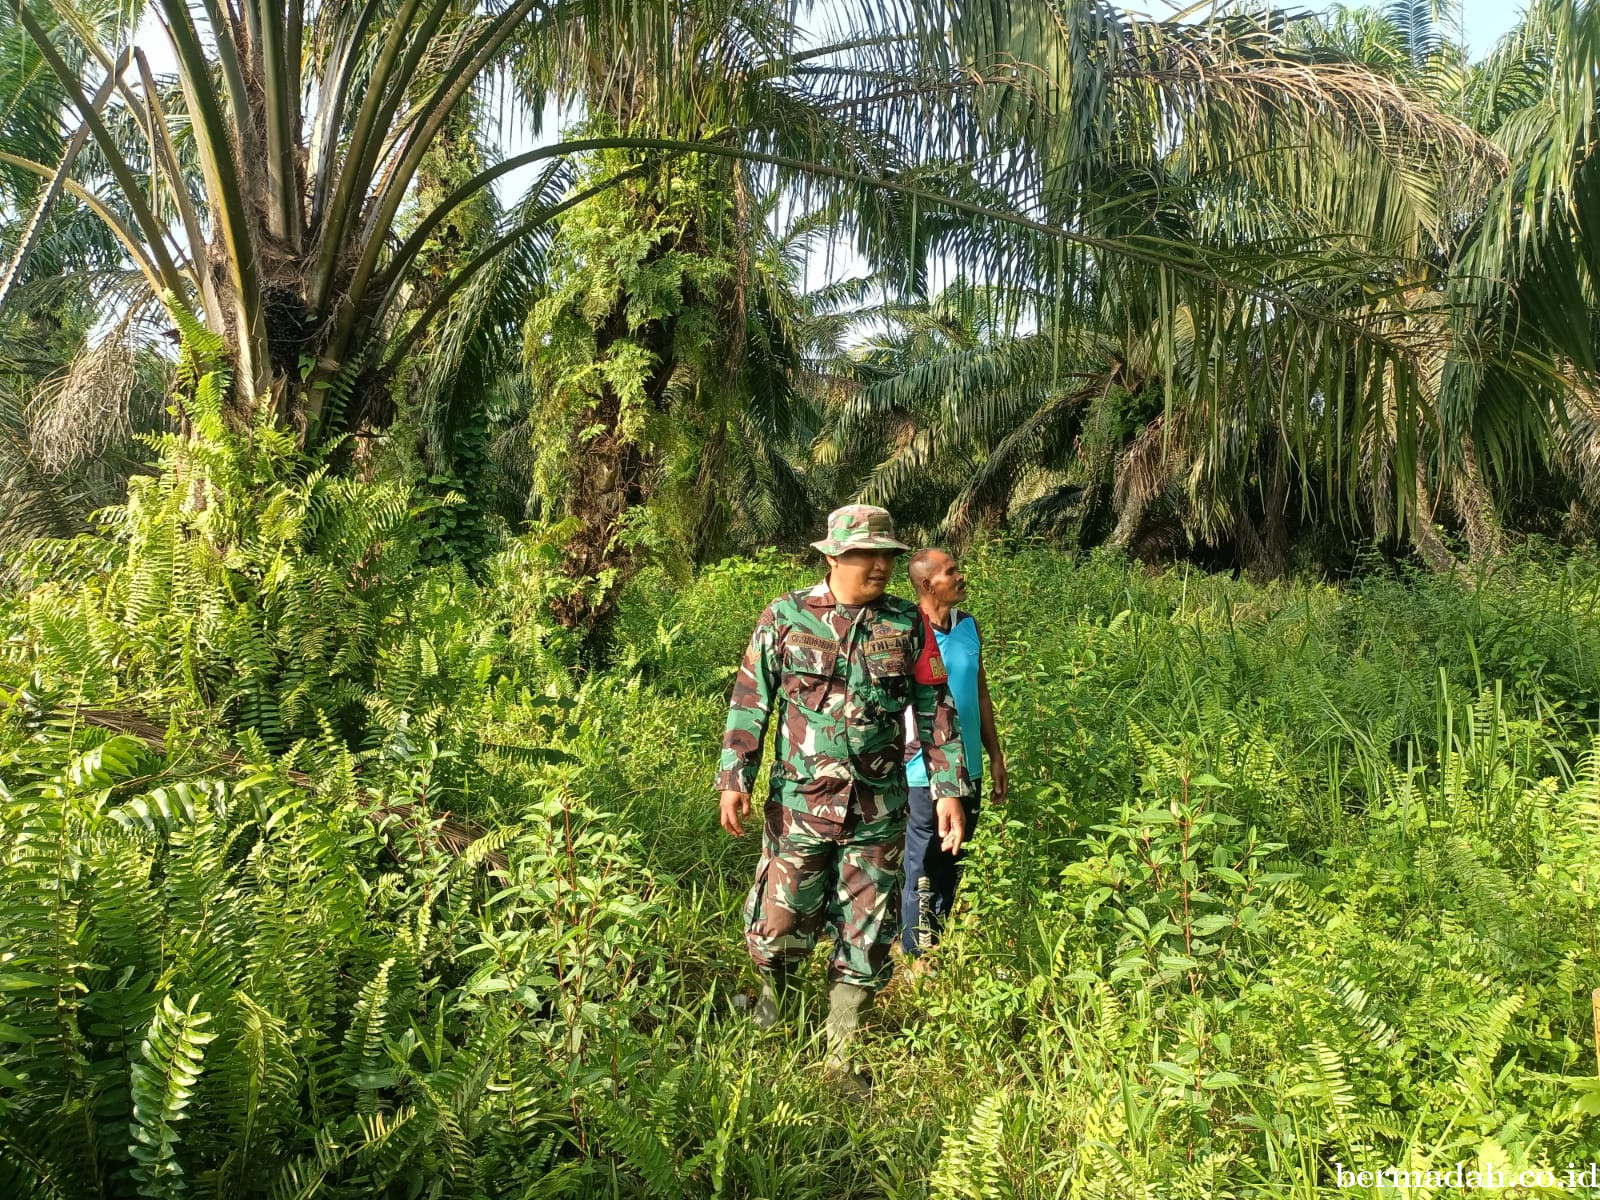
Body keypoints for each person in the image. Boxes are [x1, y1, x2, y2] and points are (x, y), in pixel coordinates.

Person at [716, 505, 969, 1089]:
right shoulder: (785, 617)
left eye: (887, 555)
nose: (880, 566)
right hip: (799, 805)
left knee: (867, 926)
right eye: (866, 555)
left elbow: (935, 709)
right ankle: (770, 1009)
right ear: (832, 557)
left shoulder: (907, 625)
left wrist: (949, 787)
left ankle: (840, 1048)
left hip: (877, 809)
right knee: (779, 921)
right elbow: (750, 701)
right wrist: (735, 777)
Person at [900, 547, 1007, 963]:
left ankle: (937, 937)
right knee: (924, 860)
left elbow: (980, 693)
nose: (961, 576)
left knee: (956, 855)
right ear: (928, 584)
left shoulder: (968, 626)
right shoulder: (908, 630)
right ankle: (918, 951)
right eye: (951, 571)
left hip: (970, 766)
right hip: (922, 768)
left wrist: (994, 755)